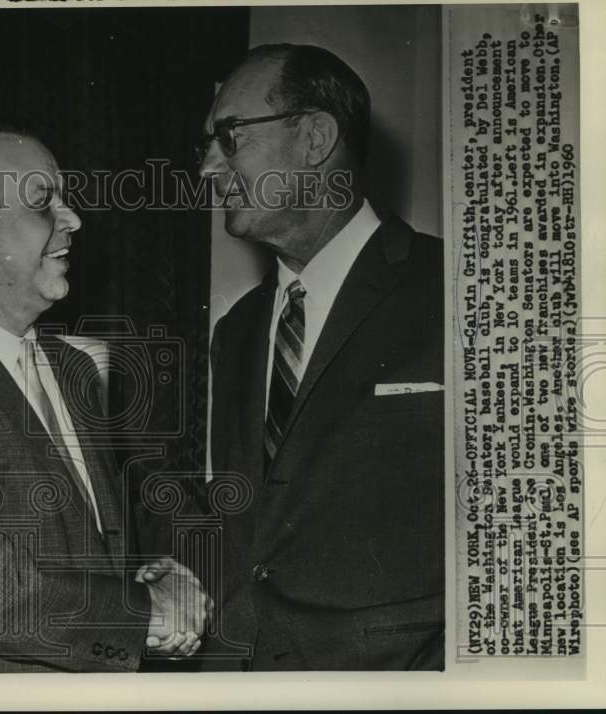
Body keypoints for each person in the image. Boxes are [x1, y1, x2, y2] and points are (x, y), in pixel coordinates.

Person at [0, 121, 209, 672]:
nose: (72, 219)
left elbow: (91, 546)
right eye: (43, 202)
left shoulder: (74, 368)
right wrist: (144, 614)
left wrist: (156, 576)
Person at [200, 44, 444, 670]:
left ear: (314, 138)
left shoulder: (462, 292)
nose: (207, 167)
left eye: (229, 138)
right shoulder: (237, 330)